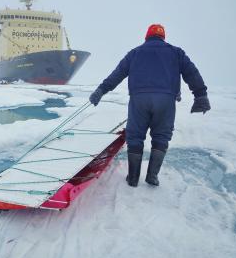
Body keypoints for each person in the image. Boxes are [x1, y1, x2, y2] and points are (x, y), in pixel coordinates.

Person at [89, 24, 210, 187]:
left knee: (135, 136)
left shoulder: (135, 53)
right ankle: (152, 176)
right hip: (165, 101)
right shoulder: (176, 52)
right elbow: (191, 73)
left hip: (139, 100)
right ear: (163, 37)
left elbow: (117, 74)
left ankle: (132, 178)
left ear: (147, 37)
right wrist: (200, 95)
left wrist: (101, 90)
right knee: (161, 136)